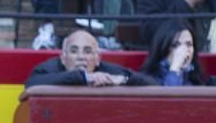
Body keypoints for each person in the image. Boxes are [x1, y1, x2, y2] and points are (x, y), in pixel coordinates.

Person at [25, 28, 158, 87]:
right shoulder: (48, 68)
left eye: (88, 51)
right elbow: (31, 84)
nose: (81, 57)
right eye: (74, 51)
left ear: (97, 58)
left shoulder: (104, 69)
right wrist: (84, 77)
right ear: (63, 57)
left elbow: (153, 84)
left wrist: (122, 80)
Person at [138, 18, 204, 85]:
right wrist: (175, 69)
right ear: (163, 47)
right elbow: (169, 94)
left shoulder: (196, 78)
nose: (183, 51)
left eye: (188, 44)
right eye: (176, 45)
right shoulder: (149, 80)